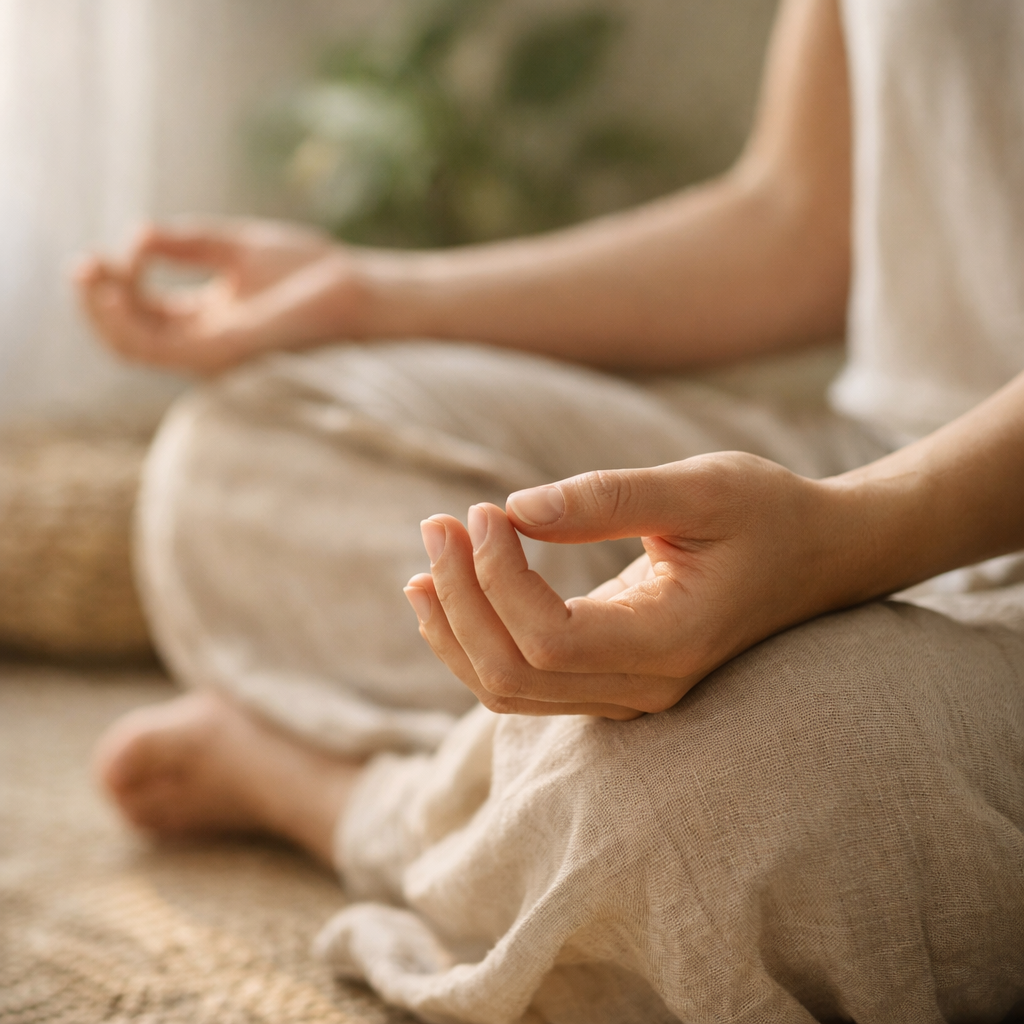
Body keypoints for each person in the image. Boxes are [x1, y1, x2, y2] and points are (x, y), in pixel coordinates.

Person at [77, 0, 1024, 1019]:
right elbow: (795, 213)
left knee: (740, 793)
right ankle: (552, 775)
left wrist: (848, 538)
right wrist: (368, 296)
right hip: (871, 447)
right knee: (237, 461)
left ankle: (353, 803)